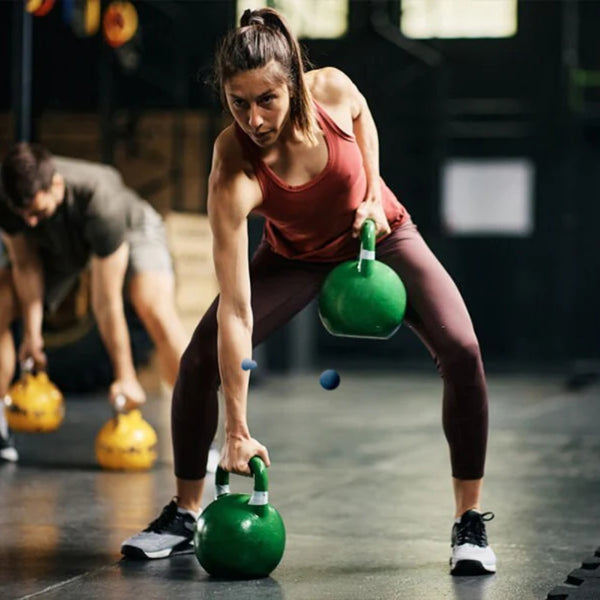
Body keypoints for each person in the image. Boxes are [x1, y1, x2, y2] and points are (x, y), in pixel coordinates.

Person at [121, 7, 496, 576]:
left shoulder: (333, 90)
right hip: (294, 257)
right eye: (238, 103)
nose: (253, 118)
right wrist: (238, 430)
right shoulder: (232, 168)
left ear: (293, 82)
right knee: (198, 358)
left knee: (463, 351)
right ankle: (184, 513)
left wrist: (372, 191)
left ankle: (468, 522)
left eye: (265, 100)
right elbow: (238, 312)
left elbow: (365, 117)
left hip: (380, 234)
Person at [0, 143, 219, 471]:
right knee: (2, 303)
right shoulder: (14, 202)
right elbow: (26, 265)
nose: (29, 221)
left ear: (56, 186)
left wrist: (124, 376)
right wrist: (32, 337)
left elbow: (106, 301)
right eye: (24, 215)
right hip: (58, 242)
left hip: (130, 230)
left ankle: (199, 434)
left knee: (154, 307)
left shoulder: (102, 200)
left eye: (37, 212)